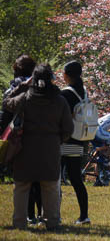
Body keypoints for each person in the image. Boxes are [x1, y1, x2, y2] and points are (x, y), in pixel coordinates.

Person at [2, 63, 73, 230]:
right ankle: (52, 222)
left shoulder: (25, 98)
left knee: (22, 186)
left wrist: (21, 86)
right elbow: (69, 129)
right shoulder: (60, 101)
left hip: (25, 149)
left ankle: (19, 223)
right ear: (52, 80)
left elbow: (6, 103)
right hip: (50, 148)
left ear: (33, 80)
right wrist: (57, 140)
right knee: (50, 187)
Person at [1, 54, 43, 223]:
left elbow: (6, 112)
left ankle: (28, 215)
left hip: (19, 137)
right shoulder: (42, 87)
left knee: (24, 179)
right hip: (40, 136)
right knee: (39, 179)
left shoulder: (14, 88)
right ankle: (41, 215)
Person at [59, 60, 90, 224]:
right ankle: (84, 215)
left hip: (65, 140)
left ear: (66, 75)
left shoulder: (66, 94)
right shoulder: (83, 92)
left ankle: (53, 213)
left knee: (55, 178)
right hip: (79, 139)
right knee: (76, 177)